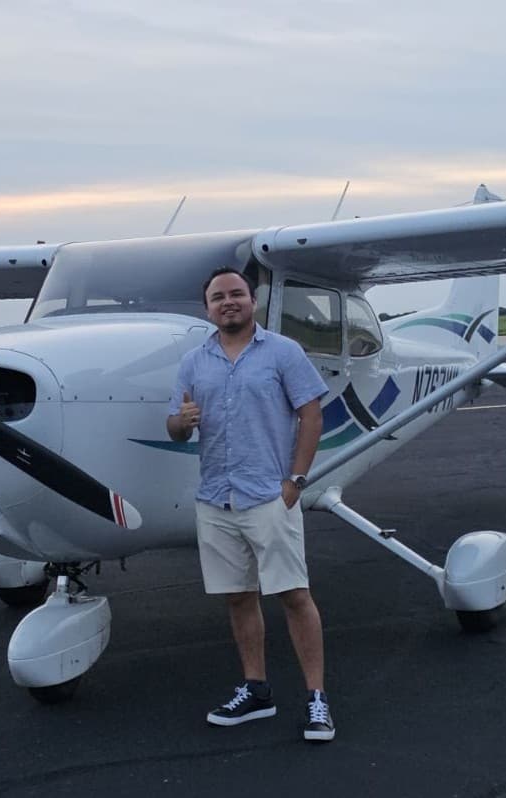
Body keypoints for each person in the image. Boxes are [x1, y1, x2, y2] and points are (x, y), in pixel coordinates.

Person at [167, 266, 335, 743]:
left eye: (236, 294)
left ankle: (317, 699)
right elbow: (174, 426)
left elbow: (310, 412)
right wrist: (181, 422)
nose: (228, 302)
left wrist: (297, 479)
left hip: (268, 495)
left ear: (252, 301)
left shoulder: (283, 352)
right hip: (216, 497)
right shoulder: (194, 363)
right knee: (239, 596)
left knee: (294, 595)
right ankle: (256, 690)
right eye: (218, 297)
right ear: (207, 309)